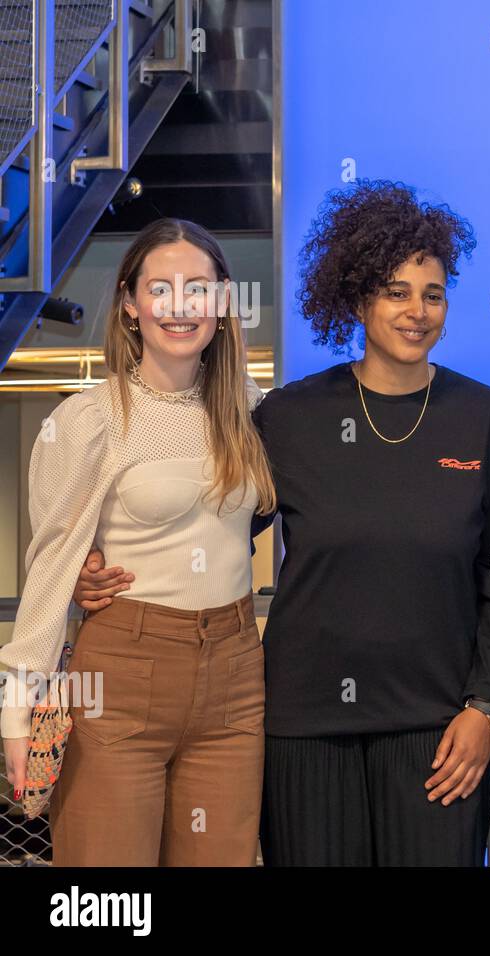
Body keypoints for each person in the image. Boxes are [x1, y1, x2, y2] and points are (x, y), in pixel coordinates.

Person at [73, 180, 490, 865]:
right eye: (395, 291)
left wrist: (485, 709)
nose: (416, 311)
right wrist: (103, 566)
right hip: (302, 727)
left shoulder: (488, 419)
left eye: (432, 293)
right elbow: (216, 523)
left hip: (439, 730)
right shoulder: (290, 420)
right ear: (356, 300)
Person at [1, 219, 274, 865]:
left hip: (237, 673)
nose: (180, 306)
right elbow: (50, 570)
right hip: (120, 674)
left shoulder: (253, 408)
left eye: (198, 289)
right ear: (129, 302)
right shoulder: (87, 420)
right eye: (160, 289)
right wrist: (17, 704)